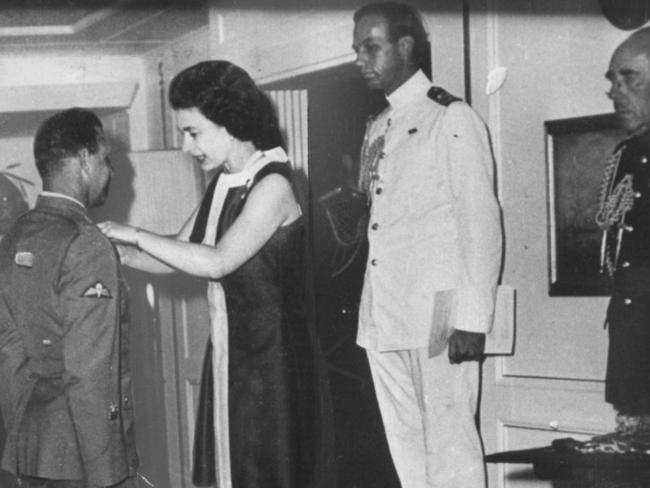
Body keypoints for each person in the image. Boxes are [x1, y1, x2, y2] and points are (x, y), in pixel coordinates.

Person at [98, 60, 320, 488]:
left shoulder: (274, 185)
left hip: (272, 368)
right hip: (230, 359)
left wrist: (135, 233)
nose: (186, 147)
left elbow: (218, 260)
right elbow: (175, 256)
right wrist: (115, 252)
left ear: (231, 123)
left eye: (193, 132)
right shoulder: (223, 182)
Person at [351, 3, 503, 487]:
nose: (360, 58)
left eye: (370, 47)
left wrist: (472, 320)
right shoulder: (380, 125)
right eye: (357, 49)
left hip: (439, 315)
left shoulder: (451, 117)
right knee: (408, 451)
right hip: (385, 315)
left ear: (405, 46)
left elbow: (482, 223)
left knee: (451, 449)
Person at [0, 108, 138, 488]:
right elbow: (90, 373)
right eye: (105, 158)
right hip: (85, 460)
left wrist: (24, 439)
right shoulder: (86, 244)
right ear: (84, 159)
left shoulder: (15, 236)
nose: (110, 170)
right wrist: (105, 477)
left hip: (34, 451)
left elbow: (8, 352)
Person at [597, 26, 650, 434]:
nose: (615, 91)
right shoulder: (631, 155)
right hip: (635, 357)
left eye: (628, 77)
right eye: (612, 81)